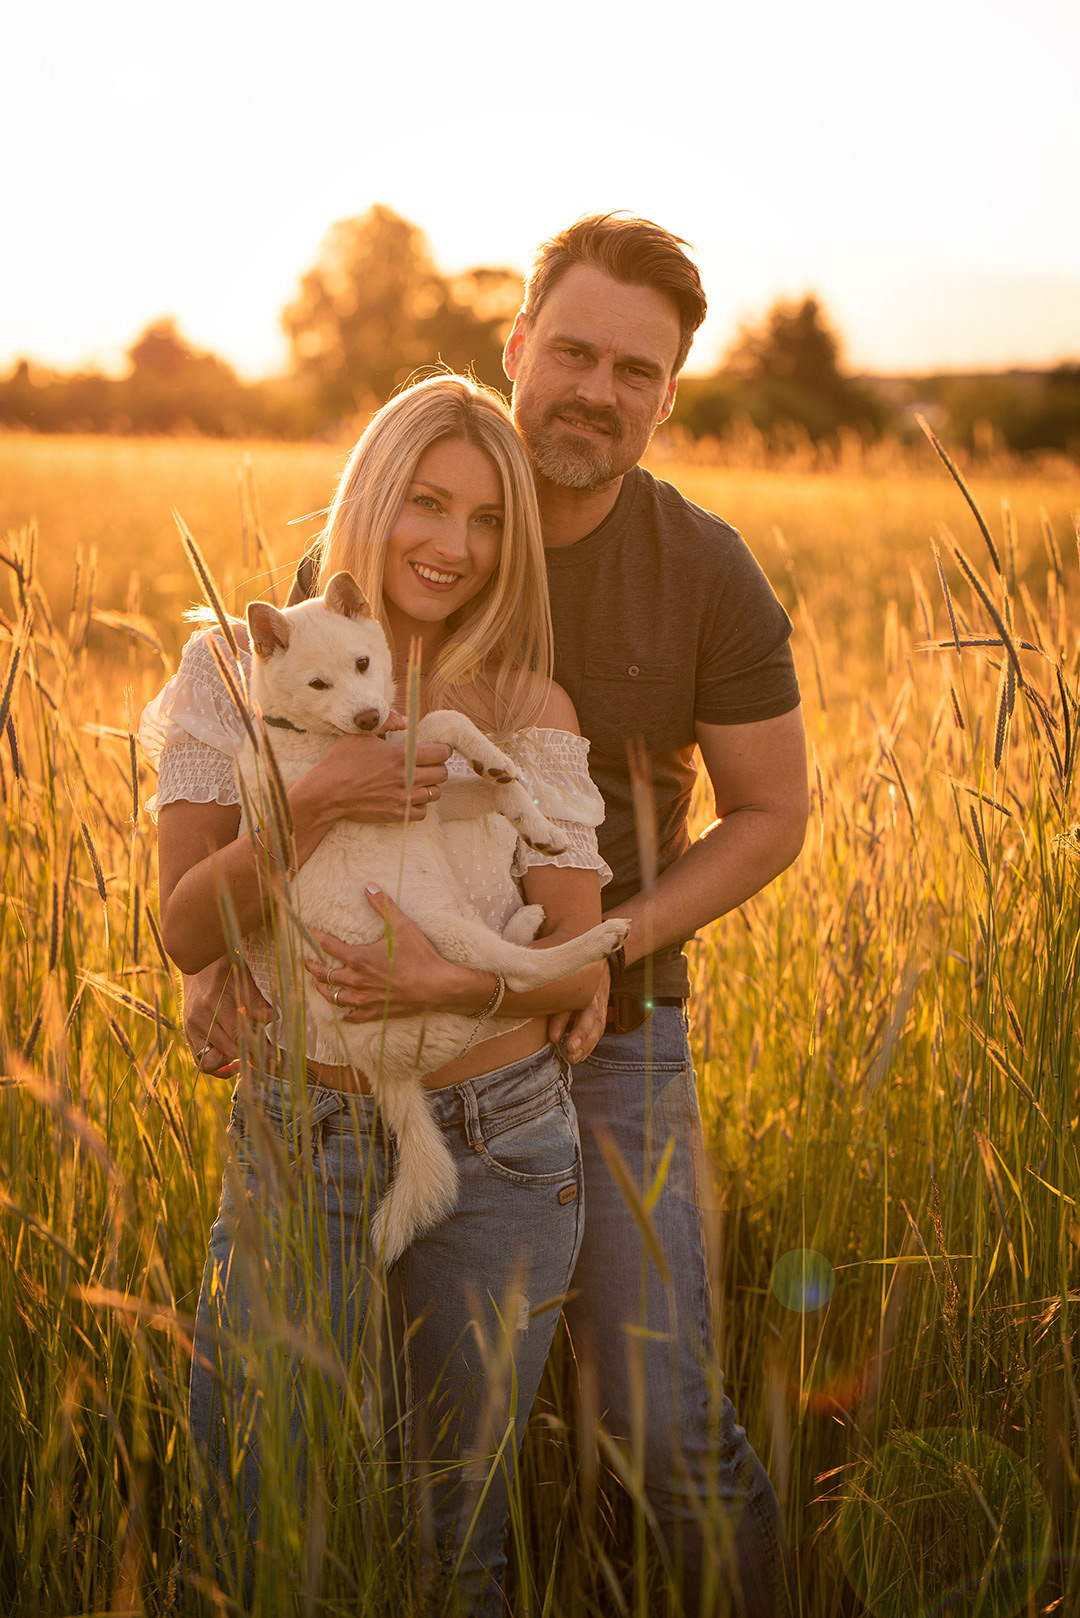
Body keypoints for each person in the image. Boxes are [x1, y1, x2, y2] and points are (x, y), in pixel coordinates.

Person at [188, 216, 809, 1617]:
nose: (597, 390)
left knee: (656, 1415)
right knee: (346, 1449)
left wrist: (594, 955)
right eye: (574, 351)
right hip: (373, 1044)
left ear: (669, 395)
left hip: (612, 1027)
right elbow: (269, 778)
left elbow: (773, 812)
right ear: (517, 345)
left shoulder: (702, 571)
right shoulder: (388, 544)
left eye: (635, 370)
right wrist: (214, 958)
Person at [142, 374, 618, 1614]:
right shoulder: (232, 671)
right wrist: (316, 800)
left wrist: (451, 977)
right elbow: (184, 928)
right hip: (296, 1134)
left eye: (489, 518)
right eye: (427, 501)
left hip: (500, 1145)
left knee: (451, 1551)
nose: (455, 544)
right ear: (371, 498)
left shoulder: (521, 703)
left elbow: (580, 961)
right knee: (252, 1526)